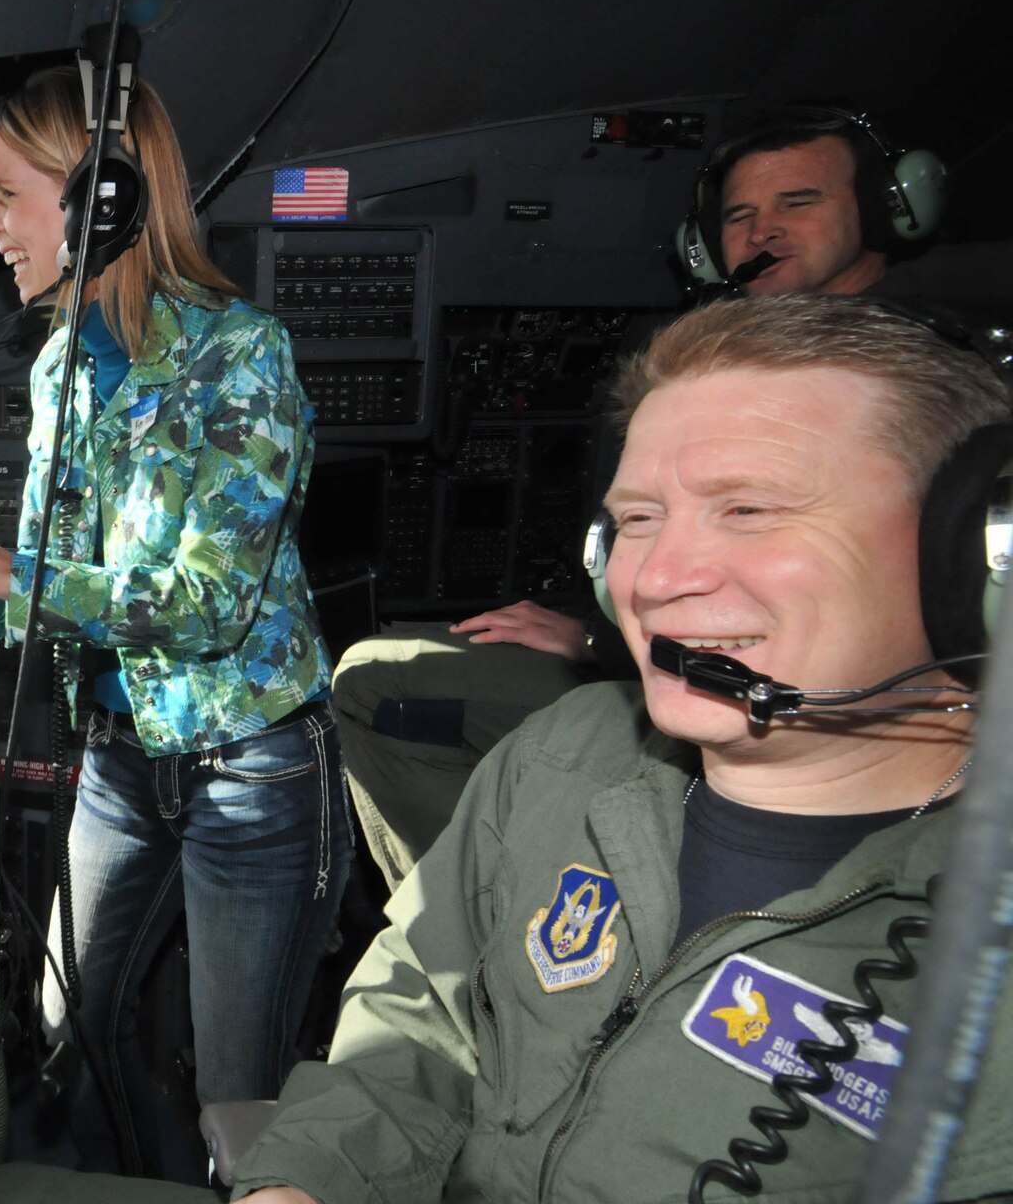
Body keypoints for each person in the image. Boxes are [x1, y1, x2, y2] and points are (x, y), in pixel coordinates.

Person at [0, 292, 1013, 1204]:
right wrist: (304, 1175)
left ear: (973, 555)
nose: (655, 579)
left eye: (747, 509)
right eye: (635, 520)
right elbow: (422, 1022)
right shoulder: (565, 755)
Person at [0, 66, 349, 1181]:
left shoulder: (237, 355)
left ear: (102, 196)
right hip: (116, 758)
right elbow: (57, 593)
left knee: (235, 1084)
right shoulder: (62, 365)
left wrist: (5, 564)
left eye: (5, 195)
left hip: (249, 768)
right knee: (72, 1023)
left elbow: (202, 607)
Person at [334, 104, 931, 889]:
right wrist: (595, 631)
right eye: (741, 215)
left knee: (382, 681)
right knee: (384, 672)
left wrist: (599, 644)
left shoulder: (928, 374)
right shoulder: (719, 361)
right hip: (659, 658)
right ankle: (493, 916)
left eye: (800, 202)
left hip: (822, 700)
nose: (763, 232)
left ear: (888, 208)